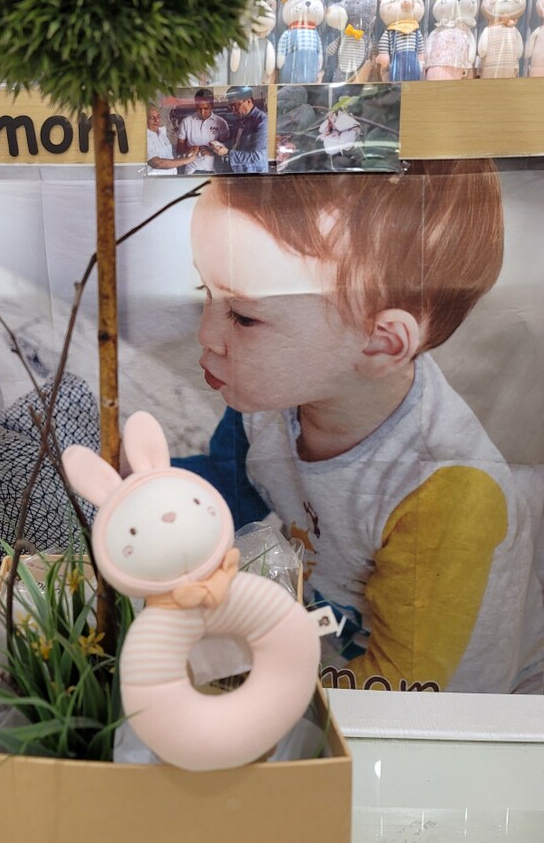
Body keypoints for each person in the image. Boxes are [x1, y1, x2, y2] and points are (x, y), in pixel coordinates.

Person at [178, 163, 544, 694]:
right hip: (325, 630)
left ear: (380, 343)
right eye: (204, 291)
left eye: (243, 316)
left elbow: (408, 685)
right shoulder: (266, 397)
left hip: (450, 701)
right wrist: (151, 496)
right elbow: (230, 489)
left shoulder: (445, 491)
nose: (206, 334)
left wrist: (265, 692)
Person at [209, 85, 269, 174]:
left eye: (235, 105)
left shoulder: (262, 121)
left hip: (252, 173)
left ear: (248, 101)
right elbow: (235, 144)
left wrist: (227, 153)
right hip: (235, 170)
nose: (233, 110)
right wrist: (220, 145)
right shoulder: (240, 117)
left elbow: (257, 156)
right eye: (230, 106)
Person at [176, 88, 230, 176]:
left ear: (212, 105)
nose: (202, 112)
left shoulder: (221, 123)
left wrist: (213, 151)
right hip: (192, 170)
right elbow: (179, 148)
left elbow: (227, 148)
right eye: (199, 108)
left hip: (215, 170)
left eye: (206, 108)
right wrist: (189, 149)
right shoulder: (186, 122)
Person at [146, 104, 196, 174]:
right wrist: (186, 160)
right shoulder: (144, 138)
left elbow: (169, 157)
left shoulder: (162, 134)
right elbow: (157, 163)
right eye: (152, 118)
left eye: (158, 117)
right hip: (156, 179)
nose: (156, 120)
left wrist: (188, 152)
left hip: (170, 177)